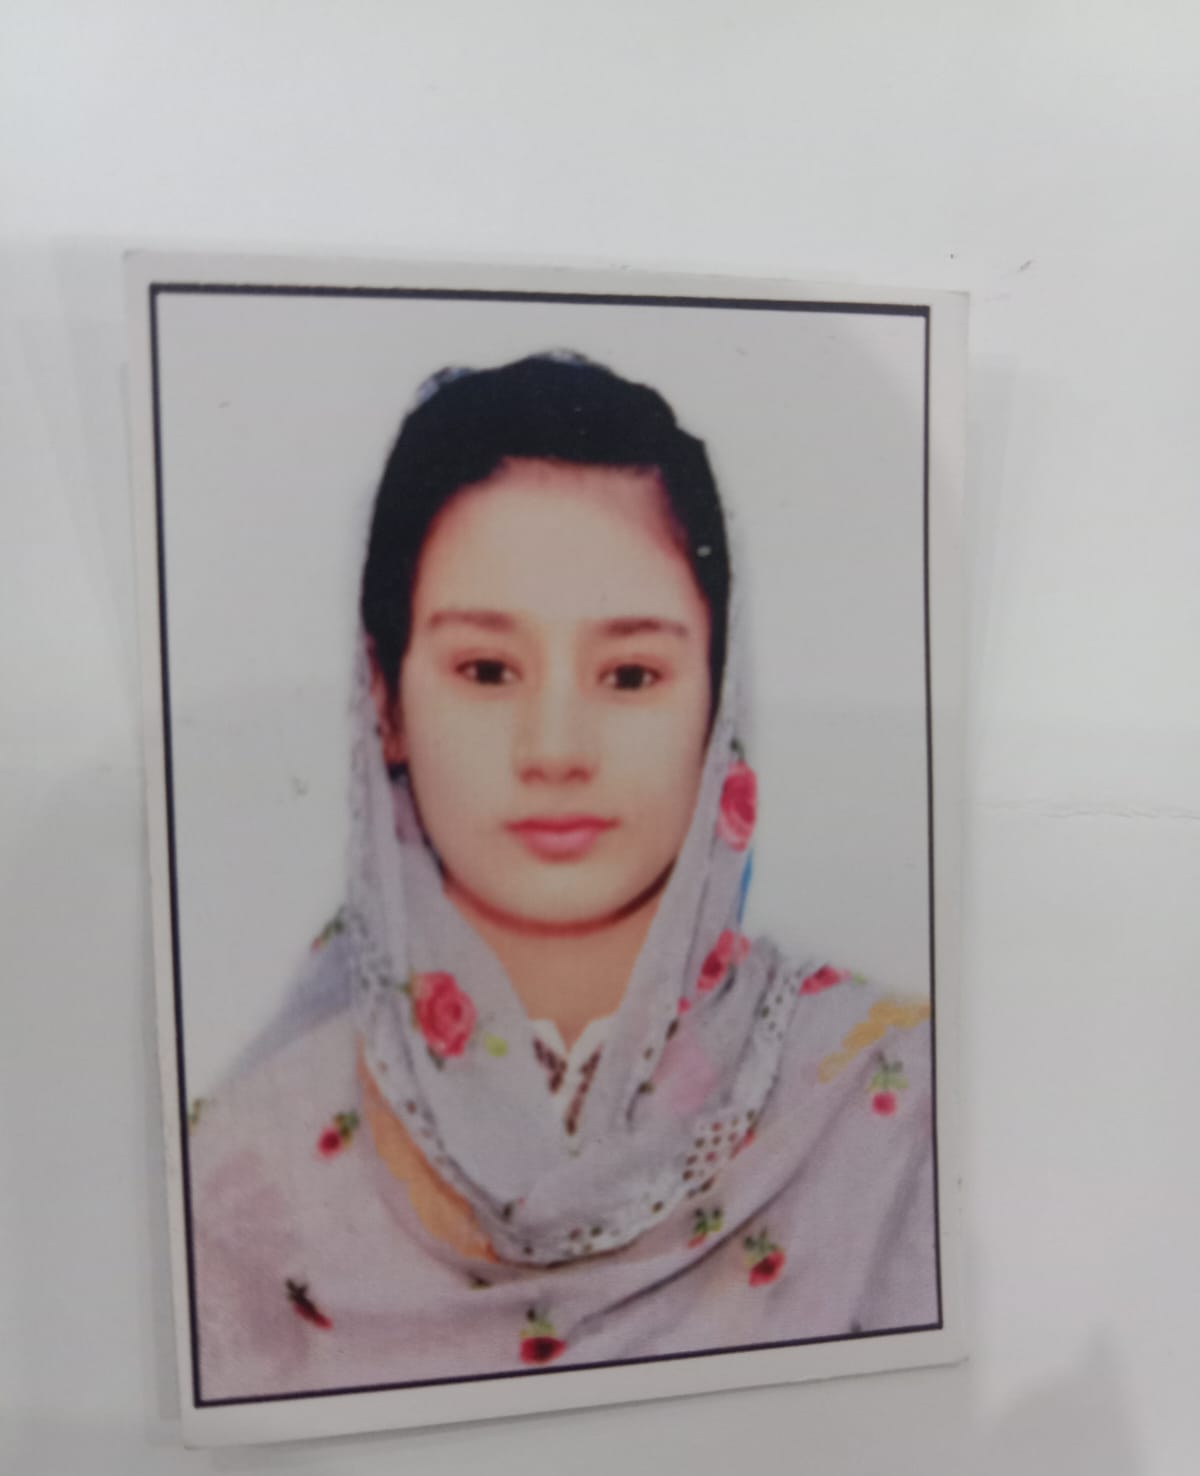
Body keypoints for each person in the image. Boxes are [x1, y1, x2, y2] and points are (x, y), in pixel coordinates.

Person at [190, 352, 937, 1400]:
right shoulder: (241, 1170)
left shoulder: (892, 1107)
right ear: (385, 702)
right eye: (487, 671)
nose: (555, 750)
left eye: (629, 674)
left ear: (717, 704)